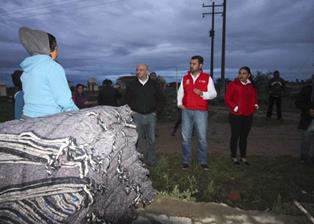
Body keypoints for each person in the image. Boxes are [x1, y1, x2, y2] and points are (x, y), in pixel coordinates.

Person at [19, 27, 78, 118]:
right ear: (51, 49)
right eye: (56, 48)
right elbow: (64, 101)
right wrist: (78, 114)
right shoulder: (53, 67)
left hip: (26, 116)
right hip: (47, 119)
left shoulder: (28, 69)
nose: (57, 52)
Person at [177, 55, 217, 170]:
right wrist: (179, 103)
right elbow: (180, 91)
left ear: (200, 65)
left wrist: (202, 94)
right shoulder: (185, 78)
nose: (191, 65)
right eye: (190, 63)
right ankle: (186, 161)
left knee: (202, 138)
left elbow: (214, 94)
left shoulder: (207, 78)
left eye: (194, 64)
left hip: (201, 111)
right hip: (186, 110)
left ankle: (203, 161)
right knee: (185, 137)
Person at [125, 64, 163, 166]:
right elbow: (126, 100)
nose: (138, 72)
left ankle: (151, 160)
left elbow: (161, 99)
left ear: (147, 71)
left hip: (151, 115)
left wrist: (156, 112)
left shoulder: (154, 84)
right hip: (137, 115)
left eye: (141, 70)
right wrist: (131, 111)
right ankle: (138, 162)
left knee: (152, 139)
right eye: (137, 70)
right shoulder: (131, 85)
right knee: (138, 140)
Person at [225, 66, 259, 165]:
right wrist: (234, 106)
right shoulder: (233, 84)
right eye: (240, 73)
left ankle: (243, 156)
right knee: (235, 136)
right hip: (236, 114)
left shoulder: (251, 86)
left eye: (244, 73)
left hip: (248, 114)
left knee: (244, 137)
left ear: (249, 75)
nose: (241, 75)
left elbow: (254, 98)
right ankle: (234, 156)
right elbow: (227, 99)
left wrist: (255, 104)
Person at [295, 74, 314, 164]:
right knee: (306, 138)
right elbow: (298, 102)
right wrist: (308, 109)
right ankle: (304, 157)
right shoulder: (306, 89)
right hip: (308, 119)